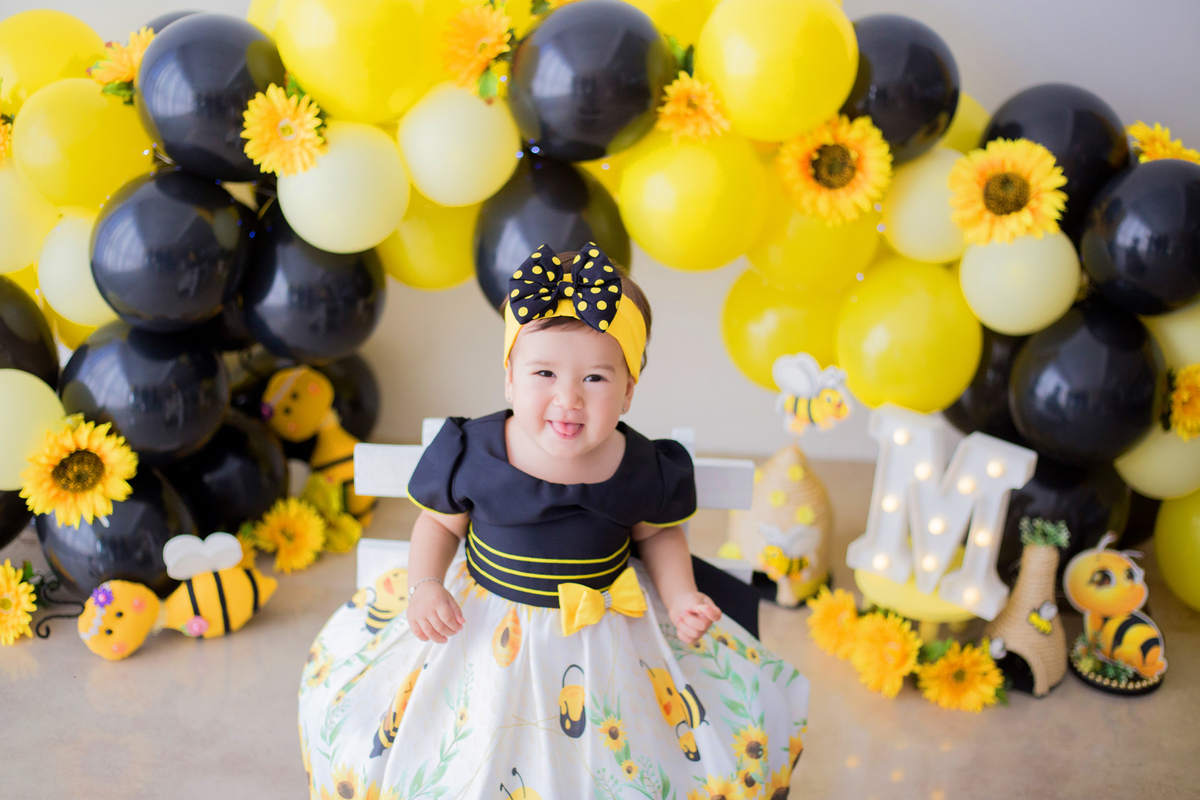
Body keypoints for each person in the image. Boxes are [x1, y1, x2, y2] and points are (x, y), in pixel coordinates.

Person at [299, 244, 809, 800]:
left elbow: (658, 533)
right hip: (485, 626)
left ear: (629, 390)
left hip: (606, 634)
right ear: (509, 377)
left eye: (595, 378)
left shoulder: (641, 467)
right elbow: (439, 525)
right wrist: (425, 585)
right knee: (469, 742)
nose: (568, 398)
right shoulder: (473, 452)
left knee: (623, 758)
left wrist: (681, 594)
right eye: (544, 372)